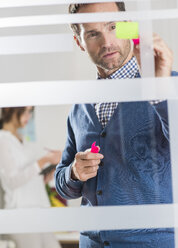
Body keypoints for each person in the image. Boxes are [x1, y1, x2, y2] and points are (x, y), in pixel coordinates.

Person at [55, 2, 178, 247]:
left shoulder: (169, 85)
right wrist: (74, 173)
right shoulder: (79, 106)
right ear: (80, 43)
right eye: (92, 33)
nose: (107, 42)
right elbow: (62, 183)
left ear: (129, 28)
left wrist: (159, 92)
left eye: (113, 27)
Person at [0, 107, 62, 248]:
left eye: (30, 112)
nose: (28, 116)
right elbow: (12, 181)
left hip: (38, 209)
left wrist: (44, 178)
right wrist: (43, 161)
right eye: (24, 111)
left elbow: (29, 176)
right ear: (10, 110)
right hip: (21, 213)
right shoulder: (2, 140)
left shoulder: (23, 140)